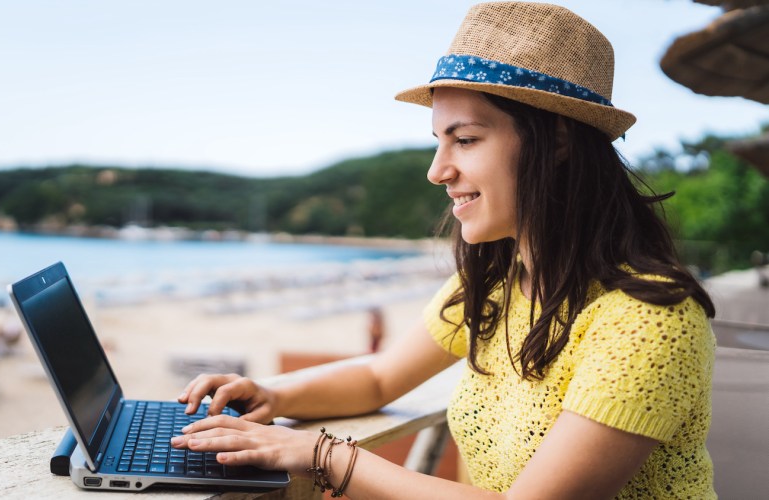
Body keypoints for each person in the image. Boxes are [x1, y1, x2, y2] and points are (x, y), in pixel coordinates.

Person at [172, 3, 717, 498]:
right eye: (439, 141)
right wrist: (272, 395)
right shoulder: (500, 284)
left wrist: (322, 455)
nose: (438, 171)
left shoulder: (650, 321)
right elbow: (381, 378)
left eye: (467, 139)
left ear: (557, 143)